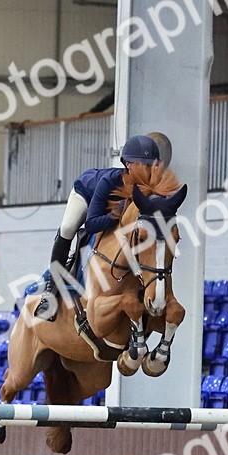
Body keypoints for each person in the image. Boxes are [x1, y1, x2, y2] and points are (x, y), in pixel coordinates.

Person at [33, 133, 164, 321]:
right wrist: (115, 214)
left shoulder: (152, 186)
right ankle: (49, 292)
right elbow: (91, 224)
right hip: (86, 195)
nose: (149, 170)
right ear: (128, 164)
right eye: (143, 165)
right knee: (68, 228)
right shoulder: (108, 182)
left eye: (151, 165)